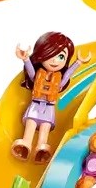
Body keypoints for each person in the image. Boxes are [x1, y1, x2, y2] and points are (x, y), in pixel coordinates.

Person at [12, 31, 76, 162]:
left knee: (45, 127)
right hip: (35, 106)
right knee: (31, 123)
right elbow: (31, 73)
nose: (55, 61)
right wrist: (26, 59)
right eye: (50, 55)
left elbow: (66, 76)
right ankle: (26, 143)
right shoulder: (38, 76)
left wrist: (78, 63)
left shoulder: (58, 80)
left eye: (61, 57)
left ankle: (42, 149)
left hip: (49, 108)